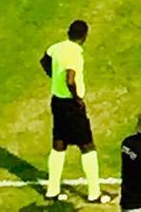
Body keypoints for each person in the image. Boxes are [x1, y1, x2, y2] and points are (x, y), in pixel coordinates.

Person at [41, 19, 100, 203]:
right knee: (87, 146)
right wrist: (77, 98)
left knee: (59, 143)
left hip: (57, 102)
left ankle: (52, 190)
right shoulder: (75, 54)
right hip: (71, 106)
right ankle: (94, 193)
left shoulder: (56, 47)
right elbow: (70, 79)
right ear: (84, 36)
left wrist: (52, 76)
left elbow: (44, 60)